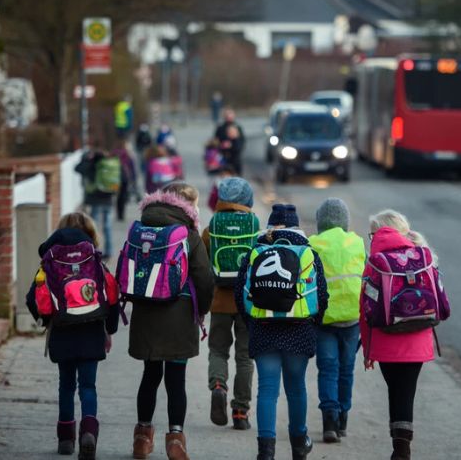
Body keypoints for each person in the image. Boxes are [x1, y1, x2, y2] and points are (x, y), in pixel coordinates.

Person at [128, 182, 215, 460]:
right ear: (188, 206)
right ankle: (175, 442)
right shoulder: (188, 235)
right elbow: (204, 279)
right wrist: (201, 310)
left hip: (145, 314)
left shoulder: (141, 228)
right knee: (176, 381)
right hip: (179, 316)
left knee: (150, 375)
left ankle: (142, 439)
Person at [24, 212, 120, 460]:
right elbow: (111, 296)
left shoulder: (50, 259)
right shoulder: (94, 259)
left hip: (62, 331)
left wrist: (47, 320)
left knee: (66, 386)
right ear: (90, 233)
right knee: (88, 386)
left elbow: (31, 299)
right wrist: (108, 330)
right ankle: (88, 432)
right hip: (91, 331)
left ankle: (66, 439)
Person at [236, 204, 329, 460]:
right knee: (296, 388)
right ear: (296, 226)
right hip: (299, 330)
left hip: (264, 329)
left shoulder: (256, 251)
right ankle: (299, 444)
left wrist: (252, 322)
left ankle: (266, 450)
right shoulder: (308, 253)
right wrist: (313, 324)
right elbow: (321, 295)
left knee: (267, 389)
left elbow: (240, 294)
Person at [360, 210, 438, 460]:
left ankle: (400, 448)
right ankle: (401, 446)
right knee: (406, 391)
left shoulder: (375, 262)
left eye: (372, 233)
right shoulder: (423, 257)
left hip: (385, 338)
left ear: (380, 233)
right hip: (418, 337)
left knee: (396, 391)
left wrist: (368, 350)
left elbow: (365, 309)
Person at [201, 177, 259, 431]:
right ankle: (240, 412)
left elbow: (202, 266)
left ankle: (217, 385)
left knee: (218, 351)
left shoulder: (211, 226)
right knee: (245, 357)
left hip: (220, 301)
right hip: (248, 302)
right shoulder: (256, 225)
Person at [307, 199, 366, 443]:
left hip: (324, 318)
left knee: (328, 368)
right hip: (353, 317)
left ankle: (329, 420)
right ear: (345, 220)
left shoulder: (313, 244)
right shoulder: (357, 242)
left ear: (321, 221)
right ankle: (343, 418)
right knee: (346, 370)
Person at [75, 148, 116, 257]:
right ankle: (109, 250)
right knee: (107, 226)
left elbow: (77, 168)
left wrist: (87, 160)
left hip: (96, 201)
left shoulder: (92, 165)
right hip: (109, 200)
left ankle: (94, 250)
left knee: (94, 226)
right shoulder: (108, 165)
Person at [111, 139, 139, 222]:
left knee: (117, 196)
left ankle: (118, 213)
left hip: (115, 179)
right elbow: (132, 167)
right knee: (123, 195)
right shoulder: (127, 154)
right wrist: (133, 179)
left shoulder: (113, 153)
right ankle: (122, 214)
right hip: (125, 179)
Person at [214, 108, 245, 175]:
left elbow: (241, 143)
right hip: (223, 158)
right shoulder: (220, 128)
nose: (229, 117)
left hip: (235, 159)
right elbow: (215, 142)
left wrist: (233, 144)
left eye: (231, 115)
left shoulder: (238, 128)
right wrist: (222, 145)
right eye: (227, 115)